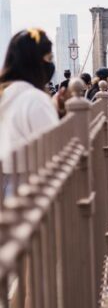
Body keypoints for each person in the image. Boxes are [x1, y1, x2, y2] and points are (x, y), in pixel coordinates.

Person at [0, 28, 60, 194]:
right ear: (36, 62)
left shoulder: (4, 93)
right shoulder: (35, 100)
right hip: (27, 189)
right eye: (49, 58)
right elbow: (54, 153)